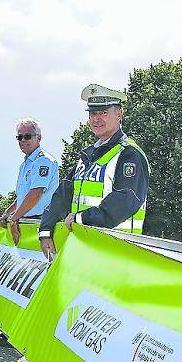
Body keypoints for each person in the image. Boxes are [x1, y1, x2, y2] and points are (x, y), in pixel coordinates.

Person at [38, 83, 149, 261]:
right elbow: (62, 195)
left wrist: (81, 219)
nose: (96, 119)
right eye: (92, 113)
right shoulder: (86, 156)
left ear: (119, 114)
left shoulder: (130, 155)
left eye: (103, 112)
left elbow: (124, 202)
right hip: (85, 251)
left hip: (117, 254)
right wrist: (45, 229)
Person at [0, 117, 59, 245]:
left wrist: (13, 219)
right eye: (19, 137)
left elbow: (35, 194)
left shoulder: (44, 161)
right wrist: (7, 213)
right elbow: (23, 197)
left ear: (39, 138)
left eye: (27, 136)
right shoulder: (25, 164)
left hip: (40, 223)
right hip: (26, 222)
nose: (23, 140)